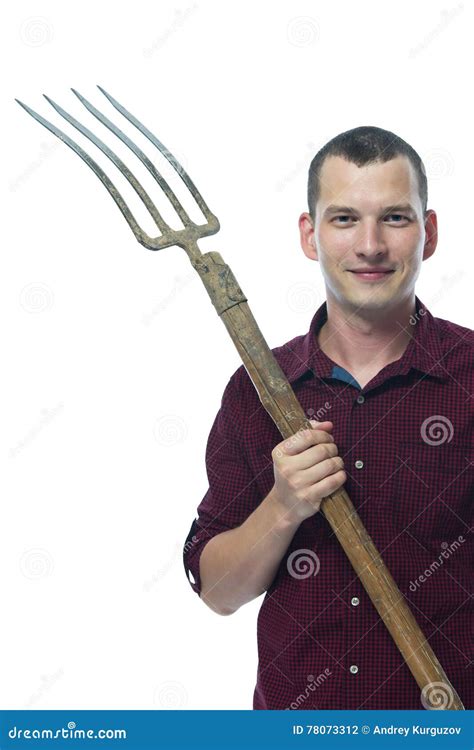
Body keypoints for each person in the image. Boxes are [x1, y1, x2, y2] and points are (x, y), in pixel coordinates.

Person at [182, 126, 473, 710]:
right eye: (343, 219)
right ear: (310, 236)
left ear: (430, 233)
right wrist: (283, 506)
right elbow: (218, 591)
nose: (369, 245)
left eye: (394, 217)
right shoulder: (256, 392)